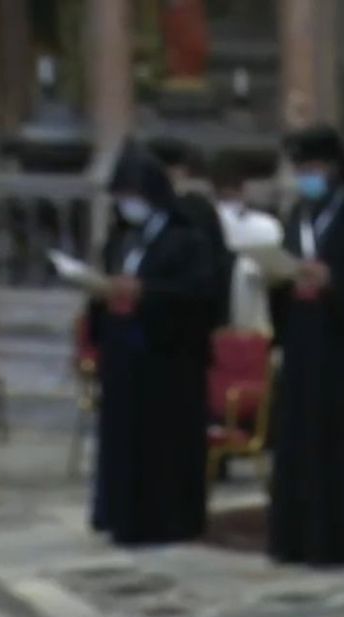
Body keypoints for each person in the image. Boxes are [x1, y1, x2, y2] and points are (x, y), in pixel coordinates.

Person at [265, 126, 344, 566]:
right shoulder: (298, 215)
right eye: (301, 169)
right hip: (304, 345)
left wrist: (336, 281)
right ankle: (296, 538)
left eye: (313, 168)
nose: (307, 176)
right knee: (299, 441)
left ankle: (343, 541)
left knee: (340, 447)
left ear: (335, 168)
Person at [88, 143, 216, 545]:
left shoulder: (185, 239)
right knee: (122, 440)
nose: (126, 205)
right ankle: (121, 514)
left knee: (163, 446)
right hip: (125, 354)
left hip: (168, 360)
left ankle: (166, 520)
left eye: (132, 196)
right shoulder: (121, 240)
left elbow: (200, 295)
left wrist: (147, 292)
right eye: (121, 198)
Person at [150, 136, 233, 328]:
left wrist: (222, 318)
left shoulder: (199, 210)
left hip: (192, 310)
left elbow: (219, 261)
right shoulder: (142, 211)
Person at [211, 156, 283, 335]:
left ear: (244, 191)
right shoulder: (207, 223)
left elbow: (278, 269)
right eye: (223, 195)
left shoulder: (266, 225)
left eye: (233, 192)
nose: (228, 202)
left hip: (254, 305)